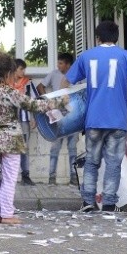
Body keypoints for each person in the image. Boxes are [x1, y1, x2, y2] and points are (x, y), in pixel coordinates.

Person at [0, 50, 68, 224]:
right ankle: (7, 214)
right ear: (7, 74)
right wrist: (61, 102)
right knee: (8, 179)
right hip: (11, 142)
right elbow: (35, 105)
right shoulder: (11, 93)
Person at [62, 20, 127, 212]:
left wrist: (64, 102)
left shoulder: (87, 56)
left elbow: (66, 81)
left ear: (97, 37)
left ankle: (88, 203)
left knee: (92, 162)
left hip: (93, 119)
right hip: (117, 121)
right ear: (116, 37)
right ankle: (108, 204)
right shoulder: (125, 56)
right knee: (114, 164)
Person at [37, 52, 80, 185]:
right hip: (58, 114)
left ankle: (73, 177)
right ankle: (52, 178)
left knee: (72, 148)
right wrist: (48, 100)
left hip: (74, 116)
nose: (58, 65)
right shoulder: (54, 74)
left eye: (61, 63)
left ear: (68, 64)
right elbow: (40, 86)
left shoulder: (78, 75)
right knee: (55, 148)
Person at [11, 58, 40, 186]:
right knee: (10, 149)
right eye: (21, 69)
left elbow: (35, 101)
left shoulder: (28, 83)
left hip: (24, 120)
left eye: (24, 69)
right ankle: (10, 177)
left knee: (24, 148)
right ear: (14, 69)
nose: (23, 72)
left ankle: (25, 175)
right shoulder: (7, 83)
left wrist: (34, 118)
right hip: (10, 121)